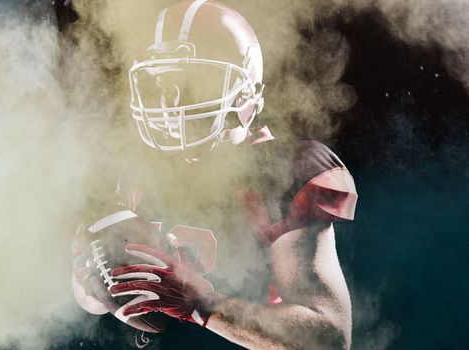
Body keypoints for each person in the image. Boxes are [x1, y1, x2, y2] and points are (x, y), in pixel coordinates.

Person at [70, 1, 357, 349]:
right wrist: (94, 280)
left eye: (189, 83)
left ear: (245, 94)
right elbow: (91, 299)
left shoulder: (282, 170)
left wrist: (201, 304)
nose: (169, 103)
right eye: (161, 84)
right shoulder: (129, 162)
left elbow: (327, 338)